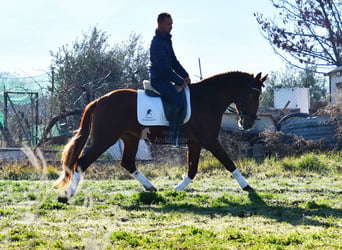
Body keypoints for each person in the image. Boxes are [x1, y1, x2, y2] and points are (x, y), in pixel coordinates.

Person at [150, 12, 191, 146]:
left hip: (165, 80)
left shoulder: (166, 41)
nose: (171, 27)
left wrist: (185, 75)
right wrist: (180, 81)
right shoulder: (157, 43)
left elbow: (174, 61)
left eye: (172, 24)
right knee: (178, 102)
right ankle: (171, 139)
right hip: (158, 81)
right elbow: (164, 68)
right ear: (160, 24)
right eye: (168, 24)